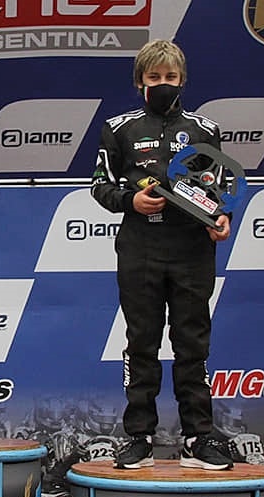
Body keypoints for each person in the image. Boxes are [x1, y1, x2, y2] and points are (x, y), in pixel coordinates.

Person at [90, 40, 235, 471]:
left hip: (192, 249)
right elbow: (100, 185)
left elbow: (219, 189)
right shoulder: (118, 128)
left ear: (182, 80)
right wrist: (130, 201)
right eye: (154, 77)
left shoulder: (206, 129)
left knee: (192, 344)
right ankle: (139, 438)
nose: (163, 83)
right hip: (141, 248)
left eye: (170, 77)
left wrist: (221, 218)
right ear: (140, 82)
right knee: (141, 343)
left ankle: (198, 438)